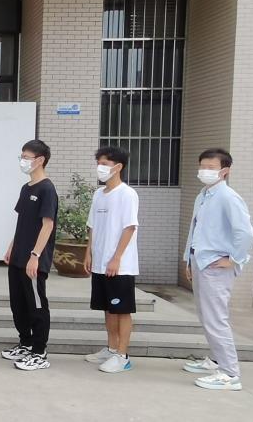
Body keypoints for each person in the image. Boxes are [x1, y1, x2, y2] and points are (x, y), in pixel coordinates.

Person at [182, 148, 253, 391]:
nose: (205, 171)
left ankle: (230, 373)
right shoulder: (203, 195)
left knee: (215, 318)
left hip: (215, 265)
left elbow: (244, 232)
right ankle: (215, 360)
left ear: (225, 171)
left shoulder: (228, 197)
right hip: (201, 261)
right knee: (207, 316)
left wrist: (235, 259)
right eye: (203, 166)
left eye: (211, 167)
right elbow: (195, 230)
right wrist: (188, 259)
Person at [83, 146, 140, 373]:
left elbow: (129, 227)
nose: (100, 167)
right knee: (107, 309)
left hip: (120, 266)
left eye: (104, 164)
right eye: (98, 163)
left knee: (121, 310)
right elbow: (92, 227)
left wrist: (116, 258)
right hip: (100, 263)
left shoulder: (127, 194)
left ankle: (122, 356)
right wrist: (88, 252)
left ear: (118, 167)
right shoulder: (99, 194)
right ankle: (111, 348)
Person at [1, 139, 57, 371]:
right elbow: (21, 222)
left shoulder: (47, 189)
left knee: (36, 306)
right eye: (21, 157)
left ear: (40, 160)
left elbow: (47, 225)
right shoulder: (27, 188)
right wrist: (12, 246)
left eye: (26, 157)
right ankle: (25, 343)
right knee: (18, 304)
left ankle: (39, 352)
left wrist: (35, 255)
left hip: (34, 260)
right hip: (18, 257)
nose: (22, 161)